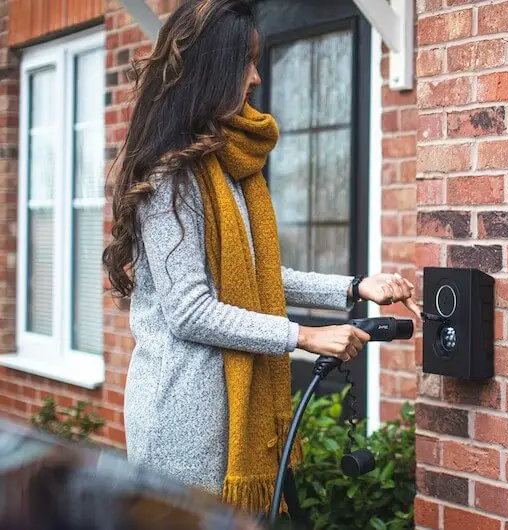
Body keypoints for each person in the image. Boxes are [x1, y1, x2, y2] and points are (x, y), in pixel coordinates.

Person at [102, 0, 419, 514]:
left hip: (233, 413)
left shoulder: (230, 171)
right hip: (186, 421)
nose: (255, 77)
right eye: (245, 63)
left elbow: (261, 277)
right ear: (213, 70)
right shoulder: (172, 177)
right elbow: (191, 311)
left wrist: (356, 286)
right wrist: (306, 336)